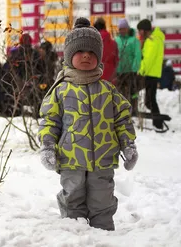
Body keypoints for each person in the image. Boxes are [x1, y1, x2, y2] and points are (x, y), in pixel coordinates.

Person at [38, 17, 138, 231]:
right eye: (80, 51)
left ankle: (103, 235)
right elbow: (50, 121)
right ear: (68, 56)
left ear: (99, 57)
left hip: (102, 159)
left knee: (102, 199)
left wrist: (128, 145)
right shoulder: (61, 90)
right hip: (70, 159)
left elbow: (122, 119)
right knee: (72, 198)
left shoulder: (108, 90)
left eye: (92, 52)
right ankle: (74, 234)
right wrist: (47, 146)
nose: (86, 55)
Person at [137, 19, 165, 129]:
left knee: (150, 100)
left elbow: (148, 60)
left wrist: (141, 71)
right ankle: (157, 121)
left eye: (140, 31)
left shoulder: (152, 41)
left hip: (150, 73)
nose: (139, 33)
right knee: (150, 99)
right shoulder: (156, 39)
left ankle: (158, 123)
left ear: (144, 30)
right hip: (153, 73)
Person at [114, 18, 142, 113]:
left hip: (130, 71)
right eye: (120, 29)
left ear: (128, 28)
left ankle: (134, 108)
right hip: (119, 71)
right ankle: (122, 110)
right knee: (120, 91)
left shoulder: (134, 40)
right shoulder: (116, 40)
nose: (122, 31)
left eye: (124, 28)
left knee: (133, 90)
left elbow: (137, 55)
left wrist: (134, 68)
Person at [93, 18, 119, 82]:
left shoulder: (93, 42)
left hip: (96, 76)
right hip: (111, 77)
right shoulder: (114, 43)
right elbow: (117, 61)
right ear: (104, 27)